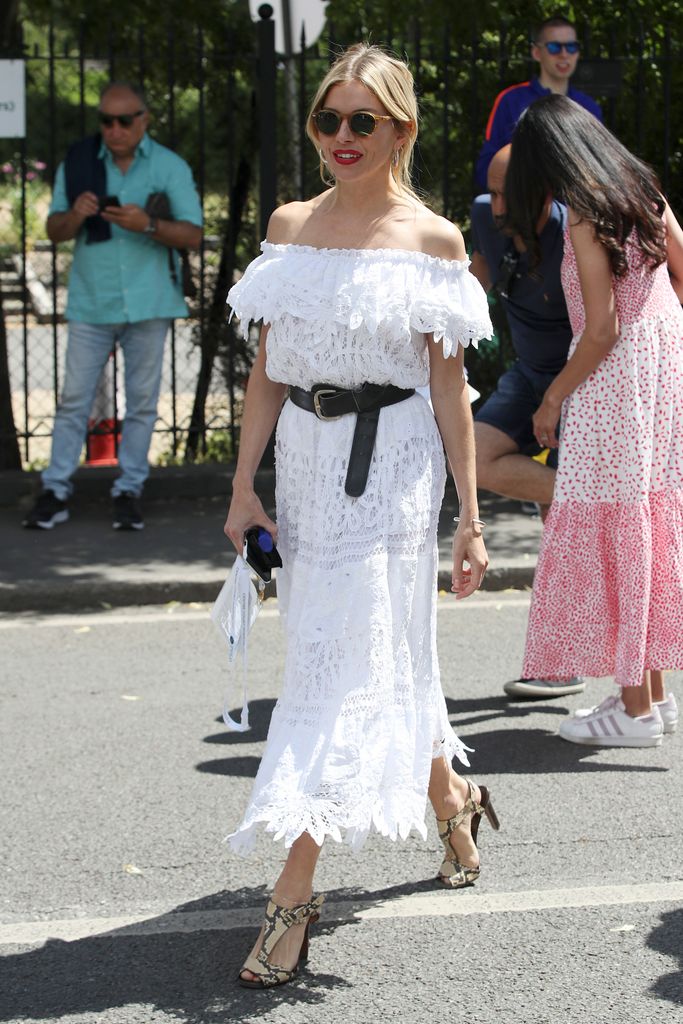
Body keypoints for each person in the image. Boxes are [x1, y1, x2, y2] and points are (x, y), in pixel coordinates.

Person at [223, 43, 498, 989]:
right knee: (368, 650)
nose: (340, 137)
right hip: (302, 463)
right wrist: (241, 485)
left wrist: (468, 518)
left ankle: (293, 889)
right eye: (326, 120)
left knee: (339, 663)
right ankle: (452, 799)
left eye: (361, 122)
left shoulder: (433, 242)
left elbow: (450, 389)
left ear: (400, 130)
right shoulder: (288, 226)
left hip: (393, 471)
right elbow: (267, 370)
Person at [505, 94, 683, 747]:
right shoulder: (642, 193)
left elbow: (601, 327)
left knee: (614, 528)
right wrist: (657, 333)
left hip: (614, 384)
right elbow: (678, 275)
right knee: (643, 520)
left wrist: (552, 399)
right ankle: (650, 700)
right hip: (663, 374)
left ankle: (634, 713)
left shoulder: (583, 213)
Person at [23, 82, 202, 532]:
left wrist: (148, 224)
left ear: (144, 120)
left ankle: (129, 488)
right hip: (92, 300)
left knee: (142, 403)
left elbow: (193, 234)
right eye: (106, 121)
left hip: (150, 300)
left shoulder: (168, 166)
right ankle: (56, 490)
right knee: (73, 401)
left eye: (124, 120)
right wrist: (77, 215)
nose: (114, 130)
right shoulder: (81, 162)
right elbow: (54, 229)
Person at [470, 144, 585, 701]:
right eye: (489, 190)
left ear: (542, 195)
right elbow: (482, 271)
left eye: (504, 194)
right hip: (528, 373)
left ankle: (563, 664)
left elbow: (609, 324)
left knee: (558, 528)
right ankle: (589, 498)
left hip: (582, 384)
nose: (494, 207)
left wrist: (559, 397)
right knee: (474, 457)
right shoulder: (482, 214)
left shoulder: (576, 232)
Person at [475, 14, 602, 190]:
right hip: (521, 206)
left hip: (574, 211)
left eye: (572, 47)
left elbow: (600, 170)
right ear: (536, 52)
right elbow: (486, 170)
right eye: (554, 47)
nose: (564, 54)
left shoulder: (589, 106)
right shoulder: (510, 100)